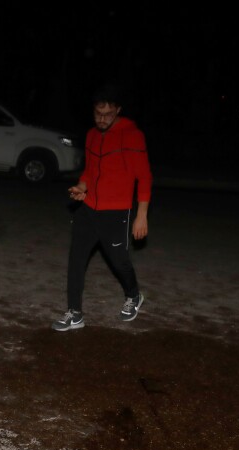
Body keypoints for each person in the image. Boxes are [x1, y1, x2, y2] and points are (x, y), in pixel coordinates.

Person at [51, 84, 152, 331]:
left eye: (108, 114)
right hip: (88, 209)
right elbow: (89, 171)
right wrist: (81, 186)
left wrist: (141, 215)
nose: (102, 119)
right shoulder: (92, 135)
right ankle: (75, 313)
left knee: (119, 262)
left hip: (116, 212)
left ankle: (133, 295)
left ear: (118, 110)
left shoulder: (132, 136)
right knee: (76, 260)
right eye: (98, 113)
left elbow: (144, 177)